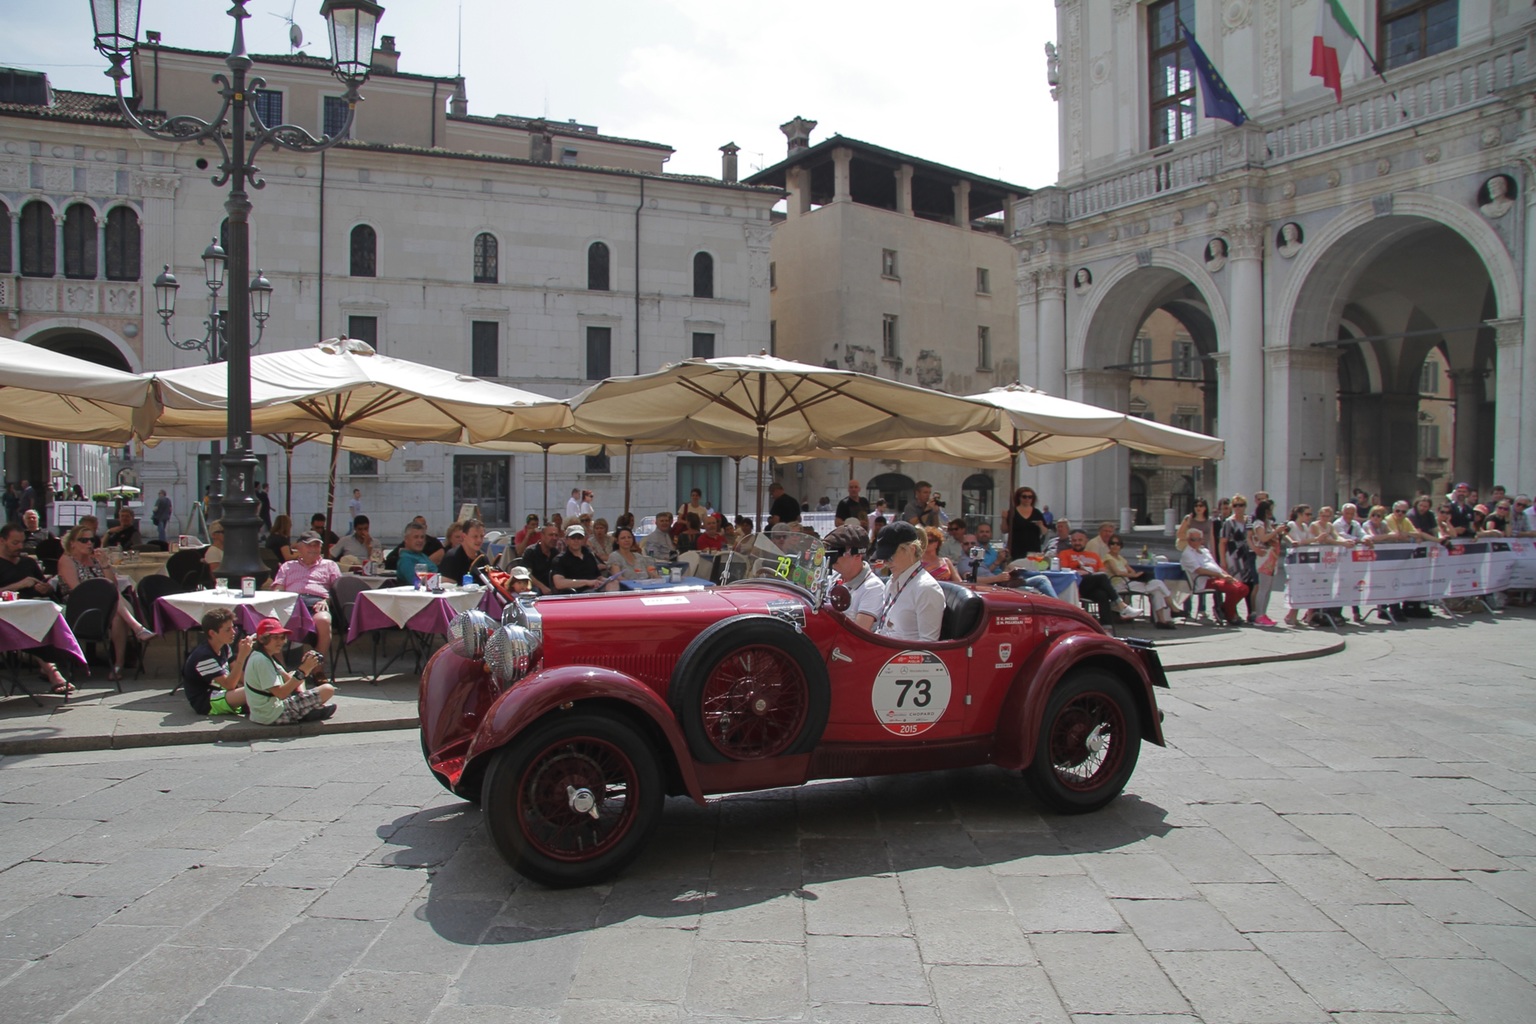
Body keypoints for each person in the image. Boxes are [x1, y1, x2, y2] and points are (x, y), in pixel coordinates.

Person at [55, 524, 157, 681]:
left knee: (116, 613)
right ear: (72, 543)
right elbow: (76, 589)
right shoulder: (66, 560)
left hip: (103, 605)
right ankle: (137, 628)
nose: (89, 543)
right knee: (113, 597)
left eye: (92, 540)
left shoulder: (95, 560)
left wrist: (104, 563)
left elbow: (113, 584)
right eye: (84, 540)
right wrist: (101, 595)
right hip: (79, 606)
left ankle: (118, 664)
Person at [0, 523, 70, 693]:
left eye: (22, 543)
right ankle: (52, 672)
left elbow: (45, 585)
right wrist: (19, 584)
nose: (20, 547)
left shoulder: (28, 562)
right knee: (32, 626)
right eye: (15, 543)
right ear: (2, 541)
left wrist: (45, 587)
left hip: (34, 608)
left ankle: (55, 667)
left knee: (47, 619)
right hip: (7, 614)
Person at [242, 617, 335, 725]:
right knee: (328, 689)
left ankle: (306, 709)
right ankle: (306, 711)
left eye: (282, 638)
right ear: (263, 639)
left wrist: (306, 666)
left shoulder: (263, 655)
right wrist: (302, 671)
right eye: (275, 638)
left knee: (293, 674)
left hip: (263, 714)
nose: (280, 642)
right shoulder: (262, 661)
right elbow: (281, 694)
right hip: (273, 714)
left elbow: (289, 679)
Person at [870, 522, 945, 642]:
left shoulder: (926, 589)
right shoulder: (891, 583)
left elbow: (928, 645)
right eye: (883, 557)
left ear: (911, 549)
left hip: (903, 658)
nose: (886, 563)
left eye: (890, 556)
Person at [270, 532, 340, 659]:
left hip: (317, 602)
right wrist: (278, 598)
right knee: (272, 621)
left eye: (317, 546)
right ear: (299, 548)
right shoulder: (288, 566)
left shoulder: (330, 565)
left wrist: (327, 600)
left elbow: (338, 589)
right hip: (291, 603)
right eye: (309, 546)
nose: (313, 549)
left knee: (324, 620)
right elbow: (279, 587)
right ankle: (281, 670)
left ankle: (316, 667)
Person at [1059, 528, 1143, 624]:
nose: (1077, 543)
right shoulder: (1065, 554)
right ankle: (1121, 605)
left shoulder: (1093, 555)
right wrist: (1078, 568)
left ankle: (1107, 628)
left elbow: (1102, 570)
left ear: (1086, 541)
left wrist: (1091, 573)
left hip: (1092, 585)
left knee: (1102, 594)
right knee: (1102, 577)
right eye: (1074, 540)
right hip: (1077, 584)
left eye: (1080, 540)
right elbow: (1064, 570)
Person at [181, 607, 252, 716]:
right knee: (255, 691)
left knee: (262, 685)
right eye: (228, 630)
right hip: (207, 701)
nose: (233, 632)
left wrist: (255, 681)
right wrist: (242, 657)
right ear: (212, 633)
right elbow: (229, 685)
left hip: (224, 692)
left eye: (233, 628)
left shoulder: (224, 647)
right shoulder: (204, 657)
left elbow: (237, 672)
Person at [1101, 534, 1176, 629]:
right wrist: (1133, 575)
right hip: (1119, 585)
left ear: (1121, 546)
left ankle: (1161, 620)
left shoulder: (1121, 558)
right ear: (1109, 545)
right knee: (1158, 584)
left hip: (1127, 583)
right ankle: (1173, 608)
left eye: (1118, 544)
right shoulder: (1108, 558)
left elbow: (1131, 570)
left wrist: (1137, 575)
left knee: (1157, 589)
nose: (1115, 546)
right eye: (1112, 543)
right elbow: (1117, 572)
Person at [1180, 527, 1249, 626]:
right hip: (1203, 581)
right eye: (1193, 539)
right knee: (1233, 589)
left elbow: (1216, 566)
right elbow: (1199, 570)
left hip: (1217, 577)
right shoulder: (1187, 553)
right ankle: (1230, 614)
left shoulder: (1205, 551)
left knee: (1243, 588)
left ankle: (1223, 608)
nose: (1196, 542)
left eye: (1199, 539)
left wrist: (1227, 576)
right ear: (1188, 540)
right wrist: (1220, 575)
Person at [826, 523, 884, 630]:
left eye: (837, 552)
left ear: (858, 555)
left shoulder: (872, 587)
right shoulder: (834, 578)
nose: (832, 558)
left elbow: (859, 633)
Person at [1218, 495, 1259, 623]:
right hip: (1234, 556)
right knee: (1236, 585)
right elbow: (1222, 542)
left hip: (1248, 556)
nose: (1238, 508)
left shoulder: (1250, 520)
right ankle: (1231, 611)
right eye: (1235, 505)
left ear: (1245, 506)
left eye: (1241, 505)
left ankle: (1251, 612)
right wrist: (1223, 560)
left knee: (1250, 583)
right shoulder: (1229, 522)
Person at [1246, 499, 1284, 627]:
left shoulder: (1268, 523)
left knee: (1268, 589)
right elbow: (1263, 538)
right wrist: (1276, 531)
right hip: (1264, 557)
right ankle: (1259, 615)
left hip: (1272, 557)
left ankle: (1264, 613)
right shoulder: (1258, 524)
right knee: (1263, 588)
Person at [553, 524, 616, 592]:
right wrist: (587, 582)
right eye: (573, 538)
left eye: (579, 538)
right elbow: (559, 583)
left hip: (595, 589)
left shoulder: (589, 555)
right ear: (566, 540)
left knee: (614, 584)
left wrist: (607, 581)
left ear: (583, 539)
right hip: (576, 594)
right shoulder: (560, 559)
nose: (576, 540)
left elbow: (598, 576)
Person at [1007, 487, 1047, 562]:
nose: (1027, 499)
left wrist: (1041, 525)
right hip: (1017, 548)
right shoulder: (1012, 512)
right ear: (1019, 498)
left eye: (1030, 497)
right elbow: (1005, 529)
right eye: (1024, 497)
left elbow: (1045, 532)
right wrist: (1003, 518)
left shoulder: (1037, 513)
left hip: (1033, 548)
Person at [395, 521, 440, 586]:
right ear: (406, 539)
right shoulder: (406, 560)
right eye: (416, 537)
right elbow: (417, 582)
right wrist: (442, 579)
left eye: (422, 537)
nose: (420, 540)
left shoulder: (422, 555)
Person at [522, 522, 562, 595]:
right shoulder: (531, 552)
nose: (554, 538)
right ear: (542, 536)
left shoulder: (556, 553)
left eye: (556, 535)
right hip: (536, 589)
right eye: (551, 535)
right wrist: (542, 587)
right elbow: (527, 574)